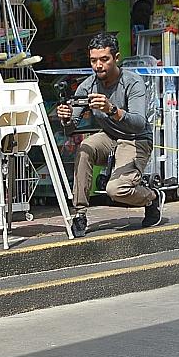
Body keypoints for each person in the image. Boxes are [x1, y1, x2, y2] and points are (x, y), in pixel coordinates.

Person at [54, 31, 160, 238]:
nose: (98, 66)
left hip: (135, 139)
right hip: (110, 136)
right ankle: (80, 213)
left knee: (116, 190)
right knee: (84, 148)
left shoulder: (132, 82)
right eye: (93, 60)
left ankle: (152, 197)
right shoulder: (87, 86)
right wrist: (65, 117)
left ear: (116, 58)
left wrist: (112, 109)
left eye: (104, 59)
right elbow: (70, 128)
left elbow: (139, 124)